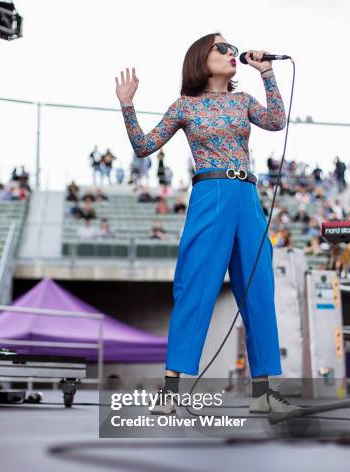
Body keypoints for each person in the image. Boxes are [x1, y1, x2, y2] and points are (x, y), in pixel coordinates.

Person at [116, 31, 299, 423]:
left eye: (233, 48)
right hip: (210, 192)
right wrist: (127, 106)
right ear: (202, 57)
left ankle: (263, 393)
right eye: (223, 47)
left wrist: (267, 72)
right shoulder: (184, 106)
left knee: (259, 290)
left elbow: (276, 120)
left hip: (247, 196)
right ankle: (170, 390)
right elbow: (144, 146)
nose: (232, 52)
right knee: (195, 285)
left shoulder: (243, 101)